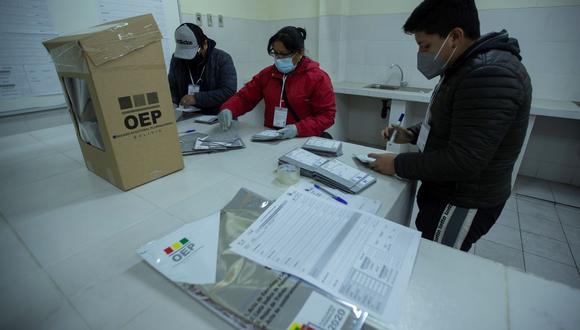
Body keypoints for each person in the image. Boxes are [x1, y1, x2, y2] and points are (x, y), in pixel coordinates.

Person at [368, 0, 532, 251]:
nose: (422, 54)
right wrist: (411, 134)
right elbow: (452, 122)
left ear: (455, 36)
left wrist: (397, 164)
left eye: (425, 45)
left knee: (436, 261)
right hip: (446, 191)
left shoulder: (489, 74)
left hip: (464, 199)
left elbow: (465, 159)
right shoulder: (463, 66)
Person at [217, 26, 336, 138]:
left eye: (283, 54)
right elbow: (245, 97)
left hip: (302, 138)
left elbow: (327, 116)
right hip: (272, 138)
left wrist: (297, 129)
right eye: (275, 53)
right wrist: (229, 109)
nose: (278, 58)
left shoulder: (317, 78)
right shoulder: (267, 74)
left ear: (299, 53)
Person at [168, 23, 237, 118]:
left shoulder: (222, 58)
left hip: (219, 117)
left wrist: (196, 98)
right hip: (189, 118)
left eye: (193, 53)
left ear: (204, 44)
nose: (187, 59)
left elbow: (229, 91)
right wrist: (173, 104)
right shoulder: (177, 60)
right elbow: (172, 87)